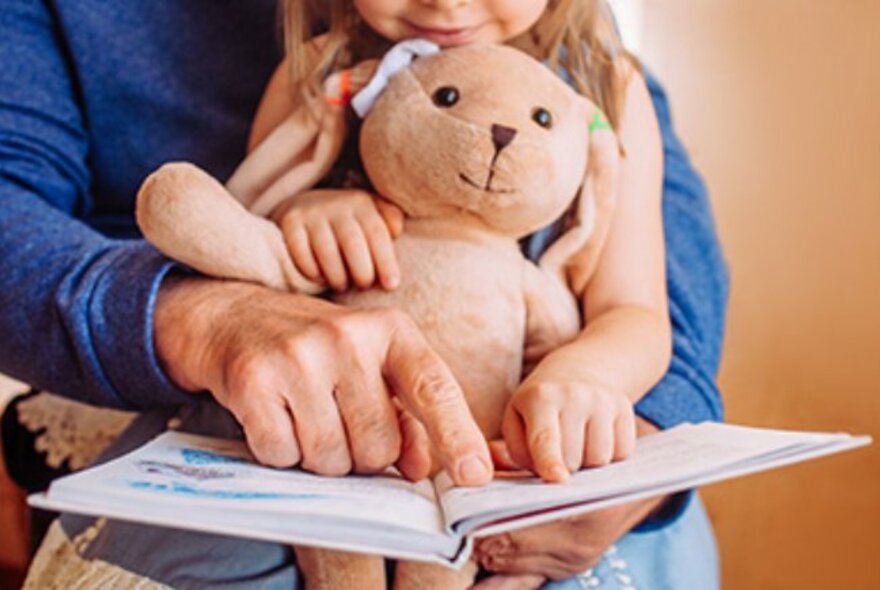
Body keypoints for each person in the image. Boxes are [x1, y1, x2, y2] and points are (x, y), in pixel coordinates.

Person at [0, 0, 727, 588]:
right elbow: (252, 230)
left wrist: (590, 377)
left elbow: (635, 310)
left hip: (507, 464)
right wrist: (305, 214)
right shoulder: (320, 72)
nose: (445, 3)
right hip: (319, 453)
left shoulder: (605, 90)